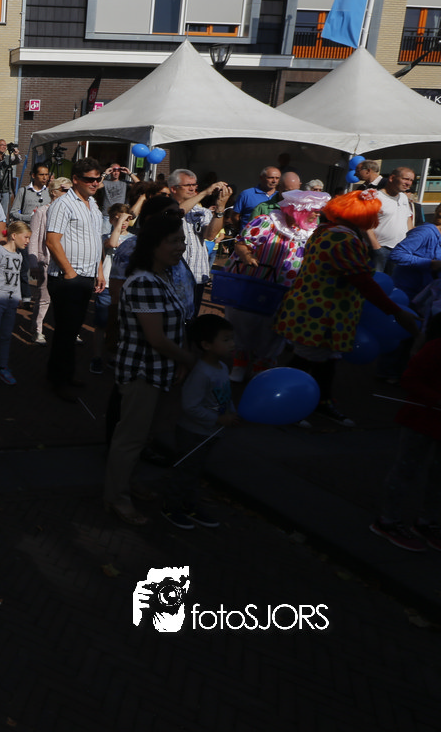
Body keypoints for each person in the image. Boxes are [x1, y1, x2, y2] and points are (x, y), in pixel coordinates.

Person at [273, 190, 418, 428]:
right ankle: (287, 404)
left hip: (319, 308)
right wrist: (396, 311)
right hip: (320, 312)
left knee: (326, 360)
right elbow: (363, 281)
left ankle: (320, 402)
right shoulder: (343, 239)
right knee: (306, 360)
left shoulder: (327, 230)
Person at [104, 212, 197, 525]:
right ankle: (117, 497)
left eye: (182, 240)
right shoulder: (145, 281)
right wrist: (188, 359)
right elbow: (156, 338)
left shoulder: (162, 276)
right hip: (142, 371)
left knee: (143, 436)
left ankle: (128, 483)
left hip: (160, 370)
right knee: (130, 438)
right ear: (153, 245)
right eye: (173, 241)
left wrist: (179, 359)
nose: (180, 247)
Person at [223, 190, 326, 380]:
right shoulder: (267, 222)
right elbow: (242, 243)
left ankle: (262, 368)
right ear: (298, 210)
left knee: (272, 330)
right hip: (253, 285)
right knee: (244, 326)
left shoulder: (311, 231)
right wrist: (247, 256)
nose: (317, 214)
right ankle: (239, 364)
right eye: (314, 210)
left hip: (285, 291)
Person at [370, 314, 441, 552]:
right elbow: (410, 379)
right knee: (406, 469)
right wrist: (436, 400)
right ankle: (388, 520)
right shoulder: (435, 348)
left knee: (438, 474)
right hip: (420, 418)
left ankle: (427, 521)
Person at [162, 314, 238, 529]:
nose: (232, 344)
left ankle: (189, 505)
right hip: (193, 433)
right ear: (206, 345)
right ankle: (171, 506)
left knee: (195, 471)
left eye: (232, 339)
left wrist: (232, 412)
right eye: (226, 339)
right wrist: (218, 418)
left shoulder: (222, 368)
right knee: (185, 471)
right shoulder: (201, 373)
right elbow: (190, 406)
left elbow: (224, 395)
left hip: (210, 432)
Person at [45, 157, 106, 399]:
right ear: (76, 180)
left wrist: (99, 270)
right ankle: (59, 382)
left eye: (97, 179)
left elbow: (95, 240)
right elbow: (52, 241)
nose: (95, 183)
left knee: (72, 330)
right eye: (90, 179)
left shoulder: (93, 205)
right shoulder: (63, 204)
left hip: (86, 275)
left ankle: (64, 374)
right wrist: (70, 273)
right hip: (68, 278)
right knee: (65, 331)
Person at [169, 168, 230, 309]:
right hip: (172, 275)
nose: (192, 189)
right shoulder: (165, 207)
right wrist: (204, 192)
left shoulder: (202, 211)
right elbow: (176, 213)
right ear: (174, 188)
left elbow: (210, 235)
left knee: (192, 317)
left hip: (196, 275)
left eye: (194, 185)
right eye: (188, 185)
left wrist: (220, 209)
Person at [0, 220, 30, 386]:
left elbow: (16, 279)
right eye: (25, 237)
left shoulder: (19, 256)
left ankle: (3, 366)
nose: (27, 241)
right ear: (14, 236)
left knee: (6, 335)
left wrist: (18, 297)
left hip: (11, 300)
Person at [25, 176, 71, 344]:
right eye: (65, 190)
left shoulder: (71, 211)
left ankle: (69, 330)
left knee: (67, 299)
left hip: (67, 261)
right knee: (44, 297)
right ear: (54, 192)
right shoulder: (42, 212)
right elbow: (33, 238)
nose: (69, 193)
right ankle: (37, 329)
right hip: (47, 261)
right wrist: (33, 263)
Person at [90, 203, 134, 375]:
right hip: (107, 286)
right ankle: (96, 357)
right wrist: (118, 223)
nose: (123, 222)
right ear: (111, 220)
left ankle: (115, 356)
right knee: (101, 324)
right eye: (118, 218)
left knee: (120, 324)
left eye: (127, 219)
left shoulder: (134, 239)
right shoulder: (104, 237)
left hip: (125, 287)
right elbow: (113, 243)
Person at [372, 166, 416, 272]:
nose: (408, 183)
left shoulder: (404, 197)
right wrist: (376, 247)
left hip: (401, 249)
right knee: (376, 280)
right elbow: (364, 225)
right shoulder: (375, 197)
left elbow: (408, 219)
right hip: (380, 249)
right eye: (405, 179)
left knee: (395, 280)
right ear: (392, 178)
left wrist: (410, 242)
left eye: (411, 180)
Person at [229, 166, 280, 232]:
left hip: (274, 236)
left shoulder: (281, 195)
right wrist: (243, 230)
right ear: (261, 178)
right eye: (270, 178)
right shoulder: (246, 194)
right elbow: (235, 216)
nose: (274, 181)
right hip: (249, 235)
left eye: (277, 178)